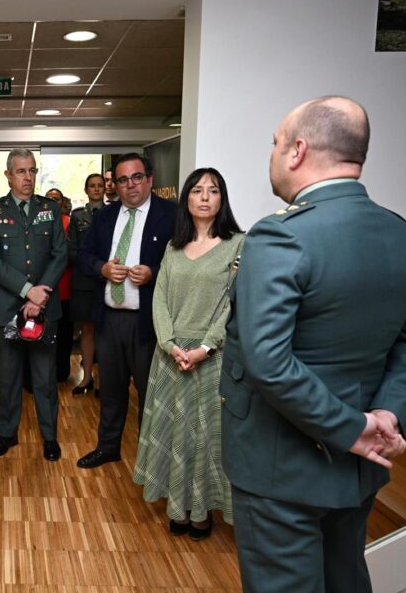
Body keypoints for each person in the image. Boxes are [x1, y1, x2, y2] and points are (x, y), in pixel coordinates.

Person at [221, 96, 406, 593]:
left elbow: (269, 361)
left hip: (282, 464)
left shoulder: (282, 237)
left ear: (297, 151)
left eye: (275, 143)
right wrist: (387, 414)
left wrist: (351, 429)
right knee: (344, 578)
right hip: (359, 467)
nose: (272, 153)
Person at [132, 167, 244, 541]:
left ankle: (202, 511)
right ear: (186, 199)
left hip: (211, 357)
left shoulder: (238, 245)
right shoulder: (174, 246)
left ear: (222, 198)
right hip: (171, 356)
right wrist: (169, 344)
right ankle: (178, 507)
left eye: (213, 190)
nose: (205, 197)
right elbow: (160, 298)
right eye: (197, 190)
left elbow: (234, 303)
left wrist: (206, 347)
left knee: (205, 437)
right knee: (175, 433)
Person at [75, 153, 175, 469]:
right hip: (109, 318)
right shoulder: (105, 216)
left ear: (150, 179)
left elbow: (185, 261)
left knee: (149, 392)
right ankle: (108, 447)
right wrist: (102, 268)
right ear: (114, 185)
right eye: (122, 180)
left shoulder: (171, 215)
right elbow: (84, 256)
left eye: (136, 177)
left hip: (147, 321)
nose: (130, 185)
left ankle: (151, 460)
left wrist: (154, 273)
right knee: (111, 391)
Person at [0, 148, 67, 461]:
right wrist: (29, 291)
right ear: (8, 175)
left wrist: (39, 296)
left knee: (44, 378)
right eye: (21, 171)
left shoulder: (49, 208)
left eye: (32, 170)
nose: (28, 177)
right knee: (8, 378)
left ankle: (49, 437)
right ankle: (7, 434)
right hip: (7, 309)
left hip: (44, 307)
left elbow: (60, 254)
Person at [68, 173, 106, 395]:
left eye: (100, 185)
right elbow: (72, 249)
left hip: (107, 279)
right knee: (87, 329)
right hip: (83, 279)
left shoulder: (114, 212)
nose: (96, 189)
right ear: (86, 190)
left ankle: (102, 380)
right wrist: (93, 264)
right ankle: (87, 377)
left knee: (104, 331)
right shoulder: (77, 216)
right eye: (92, 185)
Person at [45, 188, 73, 383]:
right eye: (49, 198)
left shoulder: (69, 222)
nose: (53, 201)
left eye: (56, 199)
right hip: (43, 289)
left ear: (62, 202)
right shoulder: (38, 221)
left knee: (64, 335)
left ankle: (62, 372)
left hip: (65, 288)